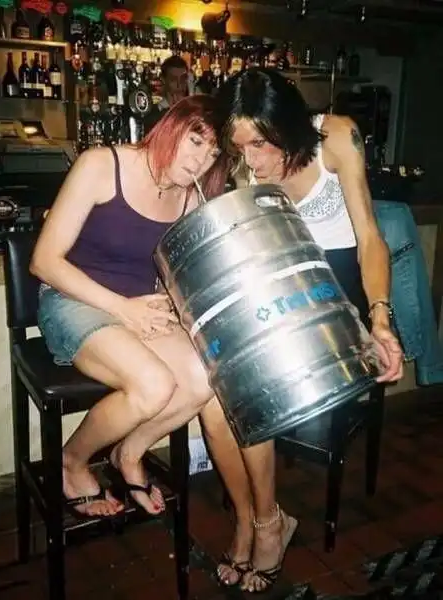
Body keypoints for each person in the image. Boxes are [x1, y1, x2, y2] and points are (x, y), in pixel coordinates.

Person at [199, 68, 404, 593]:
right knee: (216, 400)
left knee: (249, 396)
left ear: (288, 126)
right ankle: (257, 519)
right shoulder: (246, 169)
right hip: (286, 302)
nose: (251, 160)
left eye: (261, 144)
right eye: (240, 146)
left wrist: (380, 317)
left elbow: (369, 238)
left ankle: (265, 524)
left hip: (340, 304)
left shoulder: (336, 136)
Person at [30, 94, 230, 518]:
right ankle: (70, 462)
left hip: (137, 308)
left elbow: (177, 273)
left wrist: (174, 304)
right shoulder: (101, 165)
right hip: (72, 299)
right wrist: (123, 308)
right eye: (196, 141)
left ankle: (129, 453)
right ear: (171, 126)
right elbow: (44, 261)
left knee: (205, 378)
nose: (200, 161)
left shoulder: (190, 198)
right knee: (153, 385)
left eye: (213, 153)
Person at [143, 55, 190, 135]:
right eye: (173, 79)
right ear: (164, 80)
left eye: (183, 79)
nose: (179, 84)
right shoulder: (154, 113)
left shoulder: (193, 111)